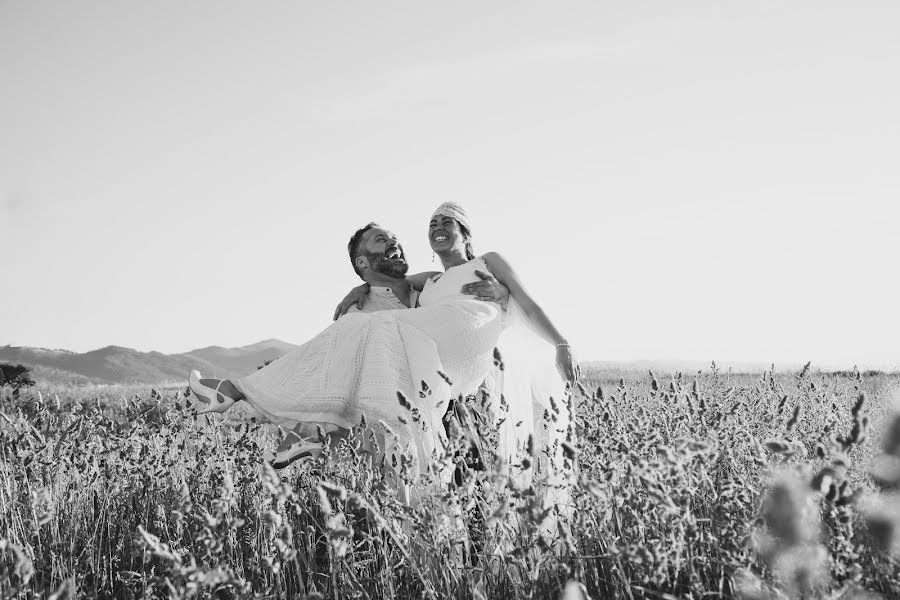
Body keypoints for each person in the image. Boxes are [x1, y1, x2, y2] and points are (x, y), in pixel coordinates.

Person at [188, 203, 578, 487]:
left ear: (466, 233)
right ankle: (311, 425)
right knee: (363, 330)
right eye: (433, 223)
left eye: (448, 221)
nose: (438, 226)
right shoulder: (427, 283)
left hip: (469, 335)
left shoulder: (489, 261)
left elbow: (529, 302)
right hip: (443, 363)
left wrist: (558, 340)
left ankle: (269, 407)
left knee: (365, 327)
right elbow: (394, 286)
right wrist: (362, 284)